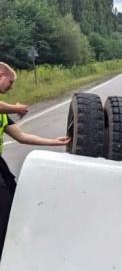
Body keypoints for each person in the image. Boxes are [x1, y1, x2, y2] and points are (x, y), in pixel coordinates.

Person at [0, 62, 70, 256]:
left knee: (13, 197)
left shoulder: (3, 116)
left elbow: (22, 137)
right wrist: (15, 107)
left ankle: (9, 250)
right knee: (3, 203)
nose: (11, 86)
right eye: (10, 81)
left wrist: (53, 142)